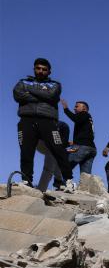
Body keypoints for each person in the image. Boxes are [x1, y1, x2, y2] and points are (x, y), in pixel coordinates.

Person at [13, 58, 75, 192]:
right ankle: (26, 180)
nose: (41, 71)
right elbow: (17, 95)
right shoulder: (23, 82)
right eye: (38, 68)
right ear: (34, 69)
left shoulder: (55, 84)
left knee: (58, 149)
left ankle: (68, 181)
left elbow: (52, 96)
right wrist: (43, 96)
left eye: (44, 69)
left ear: (49, 71)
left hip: (48, 120)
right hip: (26, 120)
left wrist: (29, 91)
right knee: (26, 151)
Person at [61, 99, 96, 175]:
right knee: (85, 176)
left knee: (65, 166)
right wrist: (74, 142)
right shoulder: (88, 118)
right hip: (91, 148)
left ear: (84, 108)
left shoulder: (84, 114)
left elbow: (75, 119)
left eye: (76, 106)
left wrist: (66, 109)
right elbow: (86, 133)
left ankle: (62, 185)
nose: (74, 108)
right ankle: (86, 187)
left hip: (82, 147)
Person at [36, 121, 69, 192]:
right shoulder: (63, 126)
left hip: (39, 142)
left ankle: (58, 182)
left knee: (55, 160)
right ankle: (41, 189)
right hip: (45, 142)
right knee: (49, 168)